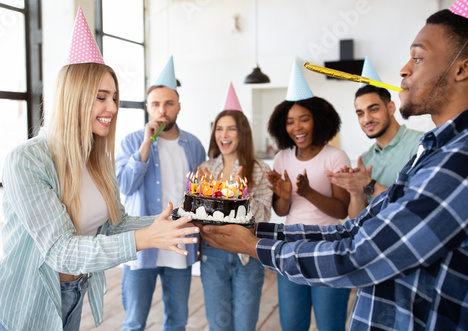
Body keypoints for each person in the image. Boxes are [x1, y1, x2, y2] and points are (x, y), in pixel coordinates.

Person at [198, 4, 468, 330]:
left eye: (418, 57)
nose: (404, 69)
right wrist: (258, 231)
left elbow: (358, 252)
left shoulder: (458, 163)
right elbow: (354, 229)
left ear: (461, 69)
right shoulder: (431, 151)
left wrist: (253, 245)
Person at [0, 8, 199, 331]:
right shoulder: (27, 160)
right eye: (101, 97)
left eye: (114, 97)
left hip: (74, 292)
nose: (112, 108)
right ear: (74, 97)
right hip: (23, 301)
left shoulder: (96, 160)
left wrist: (176, 222)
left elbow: (114, 225)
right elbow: (60, 250)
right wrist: (145, 238)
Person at [115, 56, 206, 331]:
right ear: (147, 108)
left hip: (180, 239)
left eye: (168, 103)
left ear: (178, 106)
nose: (162, 110)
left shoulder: (193, 145)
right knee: (134, 321)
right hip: (141, 241)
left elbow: (200, 198)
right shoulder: (132, 141)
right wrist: (146, 143)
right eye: (155, 104)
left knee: (177, 320)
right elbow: (125, 186)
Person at [265, 62, 351, 331]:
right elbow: (281, 210)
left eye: (304, 119)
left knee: (330, 324)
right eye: (290, 121)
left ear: (318, 120)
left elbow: (341, 210)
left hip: (328, 248)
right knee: (292, 323)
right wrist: (285, 195)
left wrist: (308, 192)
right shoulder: (282, 158)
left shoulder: (335, 157)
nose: (297, 127)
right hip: (290, 247)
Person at [197, 83, 272, 331]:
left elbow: (263, 215)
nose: (224, 135)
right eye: (219, 129)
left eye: (231, 129)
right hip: (213, 252)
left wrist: (240, 197)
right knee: (218, 324)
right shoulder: (206, 169)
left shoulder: (260, 169)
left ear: (242, 133)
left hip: (247, 253)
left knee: (245, 324)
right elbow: (198, 213)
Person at [328, 57, 423, 218]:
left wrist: (369, 184)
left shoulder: (421, 144)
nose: (367, 119)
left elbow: (418, 206)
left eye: (373, 109)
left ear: (391, 107)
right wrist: (356, 191)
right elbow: (357, 219)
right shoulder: (365, 160)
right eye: (360, 113)